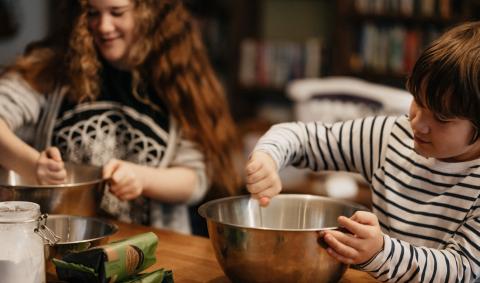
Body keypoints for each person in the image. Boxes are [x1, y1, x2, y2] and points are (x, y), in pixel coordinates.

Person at [246, 21, 480, 282]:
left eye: (441, 117)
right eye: (418, 101)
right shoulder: (391, 136)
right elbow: (302, 137)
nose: (418, 123)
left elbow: (464, 270)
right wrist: (267, 157)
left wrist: (380, 253)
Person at [0, 0, 240, 234]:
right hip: (57, 237)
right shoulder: (53, 69)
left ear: (149, 12)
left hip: (149, 246)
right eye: (93, 13)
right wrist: (33, 166)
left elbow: (194, 180)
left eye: (117, 12)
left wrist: (141, 178)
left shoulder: (179, 80)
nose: (103, 26)